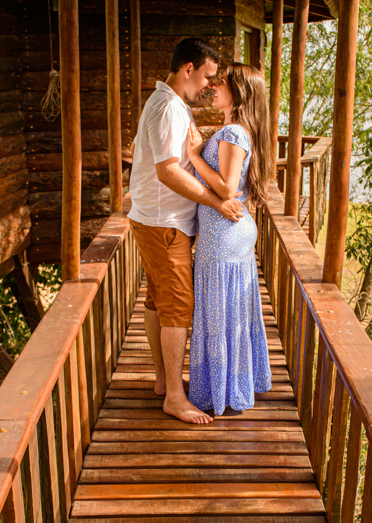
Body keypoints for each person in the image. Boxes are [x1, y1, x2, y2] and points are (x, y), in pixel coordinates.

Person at [127, 38, 245, 424]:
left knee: (158, 300)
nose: (210, 85)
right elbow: (168, 171)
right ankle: (175, 397)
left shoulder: (168, 104)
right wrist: (216, 201)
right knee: (178, 307)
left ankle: (164, 381)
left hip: (157, 219)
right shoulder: (167, 108)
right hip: (165, 224)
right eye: (208, 76)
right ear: (188, 69)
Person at [185, 63, 274, 415]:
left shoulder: (234, 132)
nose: (213, 87)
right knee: (227, 312)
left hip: (224, 235)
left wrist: (194, 156)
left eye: (221, 82)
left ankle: (222, 390)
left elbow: (225, 188)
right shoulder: (233, 130)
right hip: (225, 232)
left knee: (220, 313)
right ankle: (232, 383)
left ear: (239, 93)